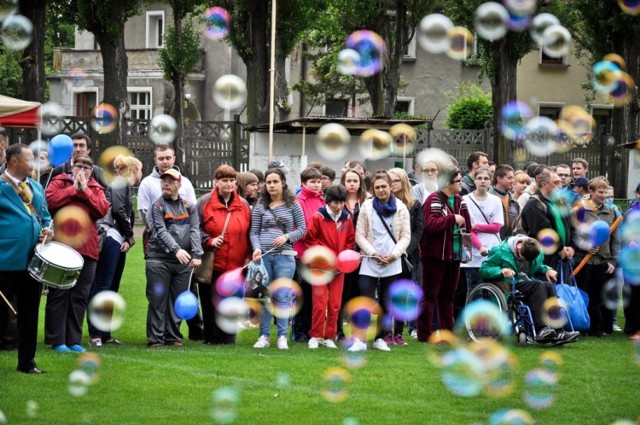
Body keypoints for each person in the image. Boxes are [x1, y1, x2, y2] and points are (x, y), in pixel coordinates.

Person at [44, 154, 110, 353]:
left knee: (80, 295)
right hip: (62, 246)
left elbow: (101, 209)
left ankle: (73, 339)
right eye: (78, 165)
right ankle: (57, 339)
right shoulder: (59, 181)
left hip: (87, 249)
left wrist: (85, 191)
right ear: (71, 167)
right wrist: (74, 189)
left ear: (92, 171)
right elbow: (50, 201)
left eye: (87, 167)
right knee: (59, 293)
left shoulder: (96, 188)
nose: (82, 169)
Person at [137, 144, 202, 341]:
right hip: (159, 260)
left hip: (183, 262)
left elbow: (194, 230)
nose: (166, 183)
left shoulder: (190, 207)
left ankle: (173, 337)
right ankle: (155, 338)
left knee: (177, 300)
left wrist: (197, 254)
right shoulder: (157, 206)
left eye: (170, 181)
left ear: (179, 185)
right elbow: (159, 231)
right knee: (157, 300)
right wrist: (176, 250)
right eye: (164, 181)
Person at [0, 143, 53, 373]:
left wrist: (49, 230)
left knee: (29, 314)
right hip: (4, 261)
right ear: (13, 162)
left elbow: (46, 216)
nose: (34, 164)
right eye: (29, 160)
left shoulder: (35, 187)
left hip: (33, 262)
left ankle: (27, 363)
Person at [479, 236, 580, 344]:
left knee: (548, 286)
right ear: (518, 248)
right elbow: (483, 269)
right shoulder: (500, 252)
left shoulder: (535, 249)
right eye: (523, 259)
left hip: (525, 283)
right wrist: (501, 270)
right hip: (506, 284)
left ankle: (559, 331)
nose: (525, 262)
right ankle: (541, 329)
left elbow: (537, 266)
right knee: (538, 285)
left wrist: (546, 269)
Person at [352, 170, 411, 352]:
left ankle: (380, 338)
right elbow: (359, 235)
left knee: (386, 302)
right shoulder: (366, 207)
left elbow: (405, 236)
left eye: (384, 186)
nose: (380, 190)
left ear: (391, 187)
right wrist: (373, 252)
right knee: (365, 300)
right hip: (370, 260)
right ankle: (360, 340)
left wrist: (394, 254)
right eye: (377, 187)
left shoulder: (401, 208)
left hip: (392, 261)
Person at [87, 154, 143, 347]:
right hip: (110, 237)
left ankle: (105, 333)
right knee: (103, 285)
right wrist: (129, 236)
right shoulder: (121, 182)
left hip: (116, 238)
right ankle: (96, 333)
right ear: (135, 169)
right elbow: (119, 210)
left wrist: (126, 237)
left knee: (111, 287)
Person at [250, 168, 307, 350]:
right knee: (265, 297)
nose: (272, 185)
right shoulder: (261, 205)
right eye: (268, 182)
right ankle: (264, 337)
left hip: (285, 257)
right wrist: (257, 248)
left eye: (275, 181)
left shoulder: (293, 205)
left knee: (282, 296)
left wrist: (287, 237)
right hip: (264, 258)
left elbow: (302, 229)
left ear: (283, 182)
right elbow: (254, 231)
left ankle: (282, 336)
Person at [196, 165, 251, 345]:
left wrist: (249, 256)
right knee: (210, 301)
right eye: (224, 180)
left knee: (232, 302)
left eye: (231, 180)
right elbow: (195, 230)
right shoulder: (204, 203)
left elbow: (250, 232)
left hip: (237, 264)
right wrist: (209, 241)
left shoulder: (243, 205)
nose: (228, 184)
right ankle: (211, 337)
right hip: (213, 263)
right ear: (216, 182)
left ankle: (228, 338)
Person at [417, 167, 472, 342]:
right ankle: (424, 334)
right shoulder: (433, 199)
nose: (461, 184)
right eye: (458, 181)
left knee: (448, 297)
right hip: (434, 256)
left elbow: (468, 226)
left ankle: (448, 332)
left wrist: (461, 222)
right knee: (429, 295)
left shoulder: (460, 200)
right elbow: (430, 225)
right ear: (448, 183)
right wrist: (451, 218)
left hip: (455, 256)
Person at [305, 185, 355, 349]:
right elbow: (310, 239)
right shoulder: (318, 216)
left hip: (339, 269)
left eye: (341, 203)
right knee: (319, 303)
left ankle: (329, 337)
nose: (339, 206)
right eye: (335, 203)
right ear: (328, 201)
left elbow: (350, 241)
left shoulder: (347, 218)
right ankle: (316, 336)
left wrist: (343, 259)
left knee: (335, 304)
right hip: (319, 267)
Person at [571, 178, 620, 337]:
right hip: (582, 261)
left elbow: (615, 239)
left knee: (598, 297)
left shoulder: (611, 211)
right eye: (600, 192)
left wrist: (613, 260)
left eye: (606, 192)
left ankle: (597, 328)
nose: (604, 195)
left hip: (602, 261)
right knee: (583, 294)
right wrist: (585, 246)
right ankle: (582, 326)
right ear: (590, 192)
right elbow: (573, 235)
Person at [387, 167, 423, 345]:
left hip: (407, 256)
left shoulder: (414, 205)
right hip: (386, 255)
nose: (392, 184)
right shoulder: (381, 202)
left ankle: (399, 333)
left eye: (396, 181)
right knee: (387, 294)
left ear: (403, 183)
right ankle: (385, 332)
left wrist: (406, 249)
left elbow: (418, 230)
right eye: (390, 180)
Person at [293, 167, 326, 342]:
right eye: (312, 181)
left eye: (319, 181)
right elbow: (302, 228)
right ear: (304, 183)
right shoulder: (299, 201)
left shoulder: (322, 201)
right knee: (303, 293)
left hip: (319, 253)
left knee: (316, 295)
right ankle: (299, 331)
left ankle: (313, 329)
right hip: (303, 253)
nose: (316, 184)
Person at [335, 168, 368, 341]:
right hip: (343, 254)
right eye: (349, 181)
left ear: (360, 182)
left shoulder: (367, 201)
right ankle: (338, 330)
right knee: (342, 294)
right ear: (343, 182)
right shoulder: (337, 201)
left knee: (358, 293)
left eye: (355, 181)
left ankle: (357, 332)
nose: (352, 184)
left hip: (362, 254)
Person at [462, 166, 503, 296]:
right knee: (474, 289)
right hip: (472, 250)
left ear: (490, 181)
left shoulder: (495, 200)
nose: (482, 181)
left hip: (492, 248)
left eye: (486, 178)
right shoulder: (466, 200)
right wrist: (479, 246)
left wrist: (476, 226)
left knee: (492, 290)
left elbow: (496, 226)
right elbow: (467, 229)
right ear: (474, 180)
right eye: (479, 178)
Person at [520, 171, 573, 267]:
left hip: (563, 256)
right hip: (544, 260)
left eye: (560, 182)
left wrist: (571, 247)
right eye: (556, 183)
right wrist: (560, 248)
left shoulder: (560, 202)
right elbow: (543, 231)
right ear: (544, 184)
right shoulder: (534, 205)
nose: (560, 186)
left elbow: (571, 226)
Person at [489, 164, 519, 240]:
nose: (512, 181)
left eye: (513, 178)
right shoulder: (488, 199)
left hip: (509, 244)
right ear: (499, 178)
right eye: (509, 178)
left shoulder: (514, 202)